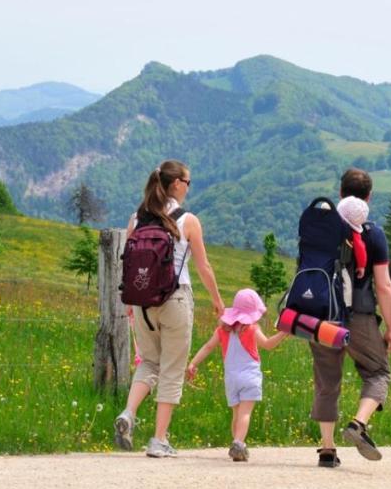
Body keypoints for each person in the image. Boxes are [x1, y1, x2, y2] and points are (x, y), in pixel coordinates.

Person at [114, 160, 225, 458]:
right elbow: (203, 266)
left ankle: (128, 412)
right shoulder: (188, 220)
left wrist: (130, 302)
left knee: (148, 362)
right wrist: (217, 300)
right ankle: (159, 439)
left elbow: (128, 264)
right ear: (176, 184)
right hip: (176, 299)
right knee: (172, 369)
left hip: (142, 303)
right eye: (188, 182)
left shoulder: (136, 219)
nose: (189, 187)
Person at [312, 168, 391, 468]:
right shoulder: (374, 234)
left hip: (321, 314)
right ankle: (358, 424)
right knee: (377, 372)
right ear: (369, 197)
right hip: (357, 315)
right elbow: (384, 286)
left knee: (327, 380)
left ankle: (326, 449)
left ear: (340, 194)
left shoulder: (320, 227)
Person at [186, 288, 289, 462]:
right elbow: (268, 344)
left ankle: (237, 446)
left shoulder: (222, 330)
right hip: (249, 377)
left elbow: (208, 347)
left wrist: (193, 363)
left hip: (231, 378)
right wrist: (284, 332)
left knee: (236, 414)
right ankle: (238, 443)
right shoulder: (251, 329)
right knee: (245, 414)